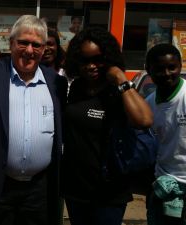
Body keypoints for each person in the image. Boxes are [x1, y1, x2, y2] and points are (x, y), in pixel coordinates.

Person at [0, 15, 67, 225]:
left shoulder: (56, 82)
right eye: (23, 42)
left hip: (39, 189)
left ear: (44, 48)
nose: (29, 50)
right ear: (11, 43)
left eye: (36, 45)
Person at [60, 27, 153, 225]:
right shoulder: (76, 88)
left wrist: (121, 78)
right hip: (76, 188)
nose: (91, 66)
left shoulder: (118, 91)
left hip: (109, 190)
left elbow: (144, 121)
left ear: (109, 59)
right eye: (85, 61)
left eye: (98, 59)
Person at [144, 44, 186, 225]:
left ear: (181, 66)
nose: (167, 73)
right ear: (149, 70)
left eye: (172, 67)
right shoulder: (148, 105)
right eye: (160, 69)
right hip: (163, 185)